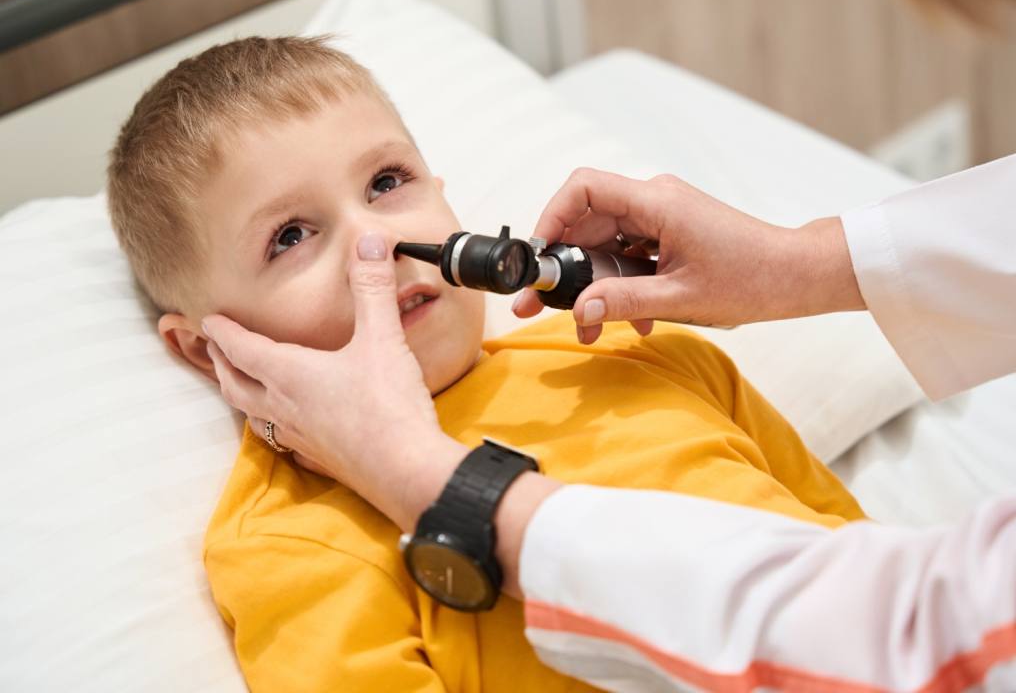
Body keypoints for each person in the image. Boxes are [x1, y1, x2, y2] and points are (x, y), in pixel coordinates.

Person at [106, 36, 870, 692]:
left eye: (386, 183)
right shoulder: (290, 540)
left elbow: (871, 561)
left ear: (445, 200)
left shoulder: (640, 353)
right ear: (208, 349)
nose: (378, 248)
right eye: (291, 237)